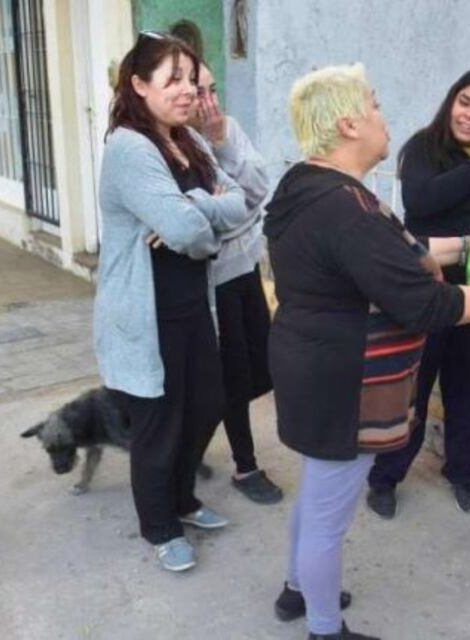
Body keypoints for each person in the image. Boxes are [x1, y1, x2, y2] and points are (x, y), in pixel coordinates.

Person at [264, 63, 470, 640]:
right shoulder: (343, 208)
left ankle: (298, 590)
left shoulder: (311, 185)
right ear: (349, 123)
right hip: (341, 380)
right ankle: (324, 629)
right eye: (376, 105)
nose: (386, 116)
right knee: (328, 518)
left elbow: (399, 248)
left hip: (313, 364)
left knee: (318, 495)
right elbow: (429, 306)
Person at [94, 31, 249, 572]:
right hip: (146, 313)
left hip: (190, 305)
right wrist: (200, 218)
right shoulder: (129, 147)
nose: (187, 91)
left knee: (205, 405)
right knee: (158, 426)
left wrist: (195, 206)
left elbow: (244, 204)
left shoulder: (191, 141)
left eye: (192, 79)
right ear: (138, 85)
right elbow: (189, 233)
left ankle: (183, 500)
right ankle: (159, 526)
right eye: (173, 79)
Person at [366, 67, 470, 517]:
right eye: (464, 101)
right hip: (425, 293)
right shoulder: (424, 147)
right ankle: (386, 476)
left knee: (469, 396)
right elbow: (421, 204)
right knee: (413, 395)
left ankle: (461, 471)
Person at [183, 56, 284, 504]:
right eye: (196, 91)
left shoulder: (226, 129)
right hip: (208, 281)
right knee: (223, 377)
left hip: (244, 268)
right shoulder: (172, 144)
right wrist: (234, 210)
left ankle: (216, 461)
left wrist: (223, 142)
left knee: (252, 368)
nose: (207, 102)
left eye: (212, 89)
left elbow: (259, 191)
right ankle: (242, 465)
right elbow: (202, 223)